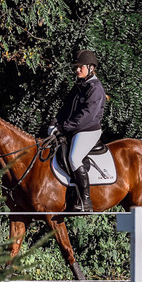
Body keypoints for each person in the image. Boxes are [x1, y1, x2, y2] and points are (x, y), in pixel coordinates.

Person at [48, 49, 106, 212]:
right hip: (74, 129)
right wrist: (54, 122)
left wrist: (62, 127)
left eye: (81, 67)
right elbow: (66, 108)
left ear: (91, 68)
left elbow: (86, 116)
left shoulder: (95, 88)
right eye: (76, 67)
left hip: (88, 130)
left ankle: (85, 201)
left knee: (74, 158)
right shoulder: (79, 86)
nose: (77, 69)